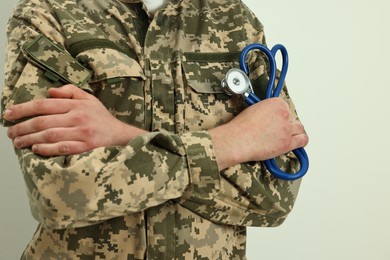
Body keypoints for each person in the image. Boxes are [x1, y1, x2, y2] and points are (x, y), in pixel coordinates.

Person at [1, 0, 308, 259]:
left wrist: (121, 135)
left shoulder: (232, 17)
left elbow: (277, 196)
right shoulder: (48, 14)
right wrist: (229, 144)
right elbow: (59, 193)